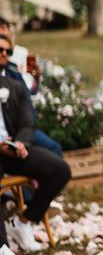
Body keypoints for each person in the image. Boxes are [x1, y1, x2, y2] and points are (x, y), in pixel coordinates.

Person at [0, 34, 71, 252]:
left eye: (7, 51)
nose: (4, 55)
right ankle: (2, 250)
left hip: (10, 152)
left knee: (60, 170)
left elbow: (27, 123)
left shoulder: (14, 87)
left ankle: (22, 222)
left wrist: (21, 143)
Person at [0, 17, 62, 157]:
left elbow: (29, 94)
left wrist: (36, 80)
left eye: (8, 51)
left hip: (24, 128)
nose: (4, 53)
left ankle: (36, 178)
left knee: (54, 151)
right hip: (9, 132)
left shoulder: (13, 70)